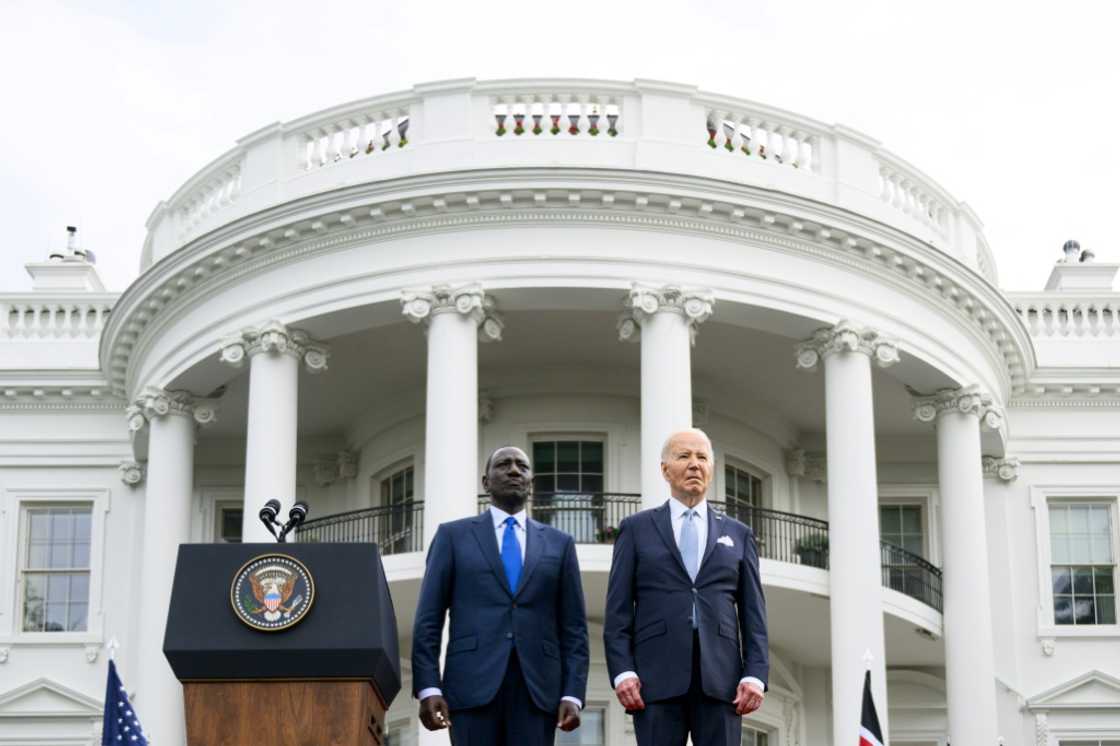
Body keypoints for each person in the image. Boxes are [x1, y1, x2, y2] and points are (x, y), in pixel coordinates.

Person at [412, 445, 589, 745]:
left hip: (538, 691)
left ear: (532, 482)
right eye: (504, 464)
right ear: (486, 482)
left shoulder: (560, 544)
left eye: (522, 466)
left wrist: (572, 692)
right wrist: (429, 687)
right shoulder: (453, 536)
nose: (514, 470)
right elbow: (428, 619)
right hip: (470, 687)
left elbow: (574, 628)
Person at [604, 428, 768, 746]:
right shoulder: (636, 529)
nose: (695, 464)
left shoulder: (739, 534)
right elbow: (617, 611)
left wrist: (756, 674)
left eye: (702, 457)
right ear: (665, 469)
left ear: (711, 469)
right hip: (654, 681)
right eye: (684, 456)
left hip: (723, 683)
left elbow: (754, 615)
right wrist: (623, 671)